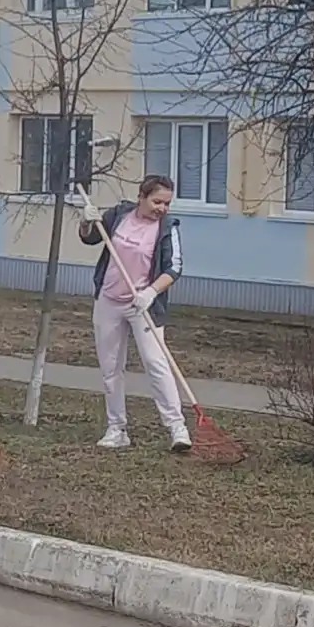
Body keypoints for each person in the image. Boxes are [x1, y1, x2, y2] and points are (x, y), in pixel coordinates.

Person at [77, 177, 190, 452]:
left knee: (156, 363)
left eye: (167, 203)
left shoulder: (167, 228)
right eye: (157, 201)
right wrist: (86, 221)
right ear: (141, 197)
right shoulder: (118, 215)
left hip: (143, 305)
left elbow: (174, 268)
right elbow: (90, 238)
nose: (162, 208)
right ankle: (117, 429)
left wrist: (150, 292)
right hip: (109, 300)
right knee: (111, 368)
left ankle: (177, 428)